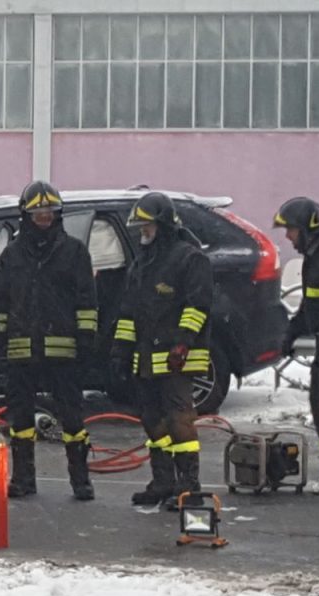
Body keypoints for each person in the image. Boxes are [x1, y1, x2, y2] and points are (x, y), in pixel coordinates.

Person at [0, 181, 98, 501]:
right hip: (20, 350)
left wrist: (85, 341)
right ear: (25, 216)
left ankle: (80, 481)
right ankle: (24, 479)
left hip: (63, 350)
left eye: (49, 212)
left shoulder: (74, 252)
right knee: (21, 419)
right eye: (38, 213)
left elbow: (87, 301)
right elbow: (2, 303)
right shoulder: (11, 255)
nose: (44, 217)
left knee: (72, 418)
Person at [111, 192, 212, 510]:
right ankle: (164, 481)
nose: (143, 232)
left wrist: (183, 342)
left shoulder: (188, 258)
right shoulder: (143, 263)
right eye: (139, 226)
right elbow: (129, 312)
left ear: (164, 226)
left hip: (176, 358)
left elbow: (198, 306)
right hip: (146, 357)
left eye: (147, 226)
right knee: (153, 420)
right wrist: (120, 351)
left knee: (179, 419)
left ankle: (189, 487)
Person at [275, 197, 319, 493]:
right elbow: (310, 306)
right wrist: (290, 334)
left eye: (291, 230)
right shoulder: (313, 260)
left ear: (307, 229)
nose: (288, 237)